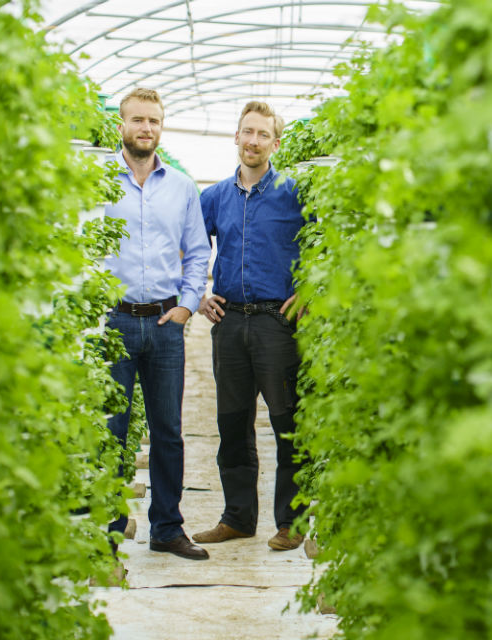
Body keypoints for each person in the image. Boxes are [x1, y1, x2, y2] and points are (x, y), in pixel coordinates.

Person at [192, 101, 309, 551]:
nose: (253, 141)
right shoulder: (215, 197)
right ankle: (238, 518)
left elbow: (327, 241)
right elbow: (187, 245)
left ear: (275, 143)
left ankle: (290, 522)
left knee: (286, 422)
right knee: (233, 423)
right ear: (236, 138)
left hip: (276, 323)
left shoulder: (294, 193)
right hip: (229, 322)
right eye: (247, 132)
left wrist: (314, 287)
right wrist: (197, 294)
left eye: (263, 134)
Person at [105, 87, 212, 561]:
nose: (146, 128)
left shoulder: (183, 187)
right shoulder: (99, 181)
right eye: (138, 120)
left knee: (167, 430)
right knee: (111, 427)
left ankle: (167, 528)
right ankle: (104, 529)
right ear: (122, 126)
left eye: (154, 121)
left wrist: (187, 306)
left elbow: (198, 253)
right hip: (115, 321)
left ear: (160, 127)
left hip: (166, 323)